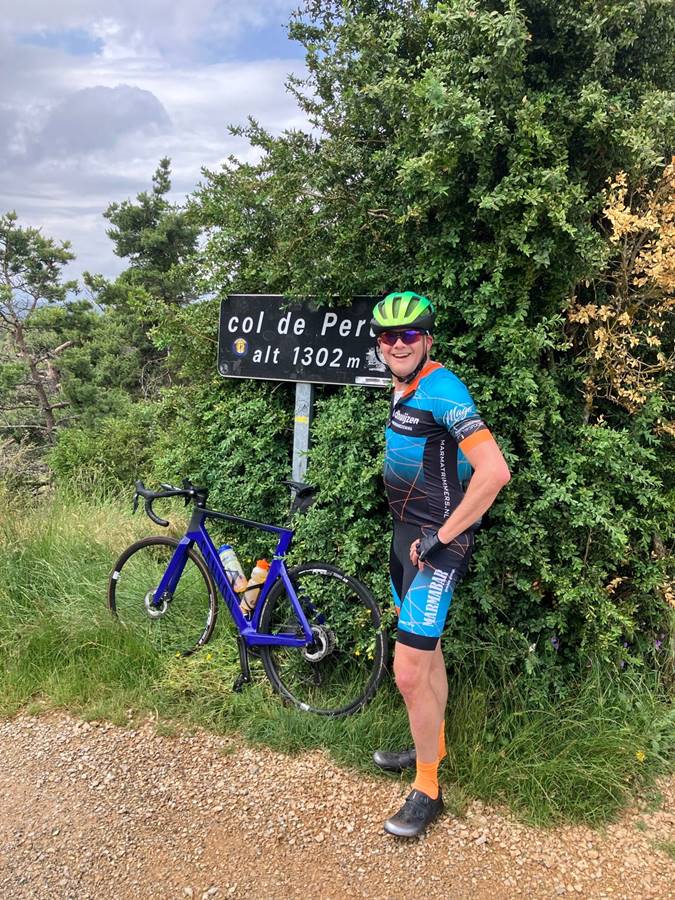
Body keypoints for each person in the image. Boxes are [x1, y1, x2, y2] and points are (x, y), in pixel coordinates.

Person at [370, 290, 511, 838]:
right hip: (405, 539)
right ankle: (432, 745)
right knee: (427, 659)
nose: (397, 344)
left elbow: (494, 472)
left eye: (409, 334)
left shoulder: (443, 389)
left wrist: (442, 537)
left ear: (427, 339)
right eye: (388, 336)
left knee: (407, 673)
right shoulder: (403, 386)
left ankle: (428, 788)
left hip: (435, 547)